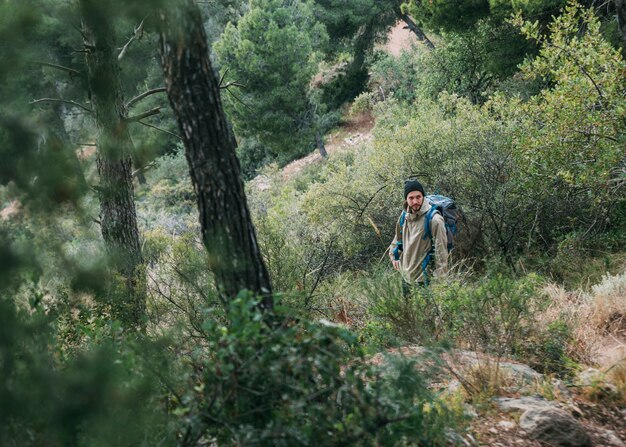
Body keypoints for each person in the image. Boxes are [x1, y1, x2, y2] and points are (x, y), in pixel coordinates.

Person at [389, 179, 448, 291]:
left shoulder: (435, 220)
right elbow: (397, 239)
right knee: (407, 308)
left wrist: (441, 283)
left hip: (425, 280)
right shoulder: (404, 216)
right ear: (406, 199)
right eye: (411, 198)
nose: (415, 201)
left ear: (423, 197)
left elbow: (441, 253)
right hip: (405, 277)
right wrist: (393, 256)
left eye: (418, 197)